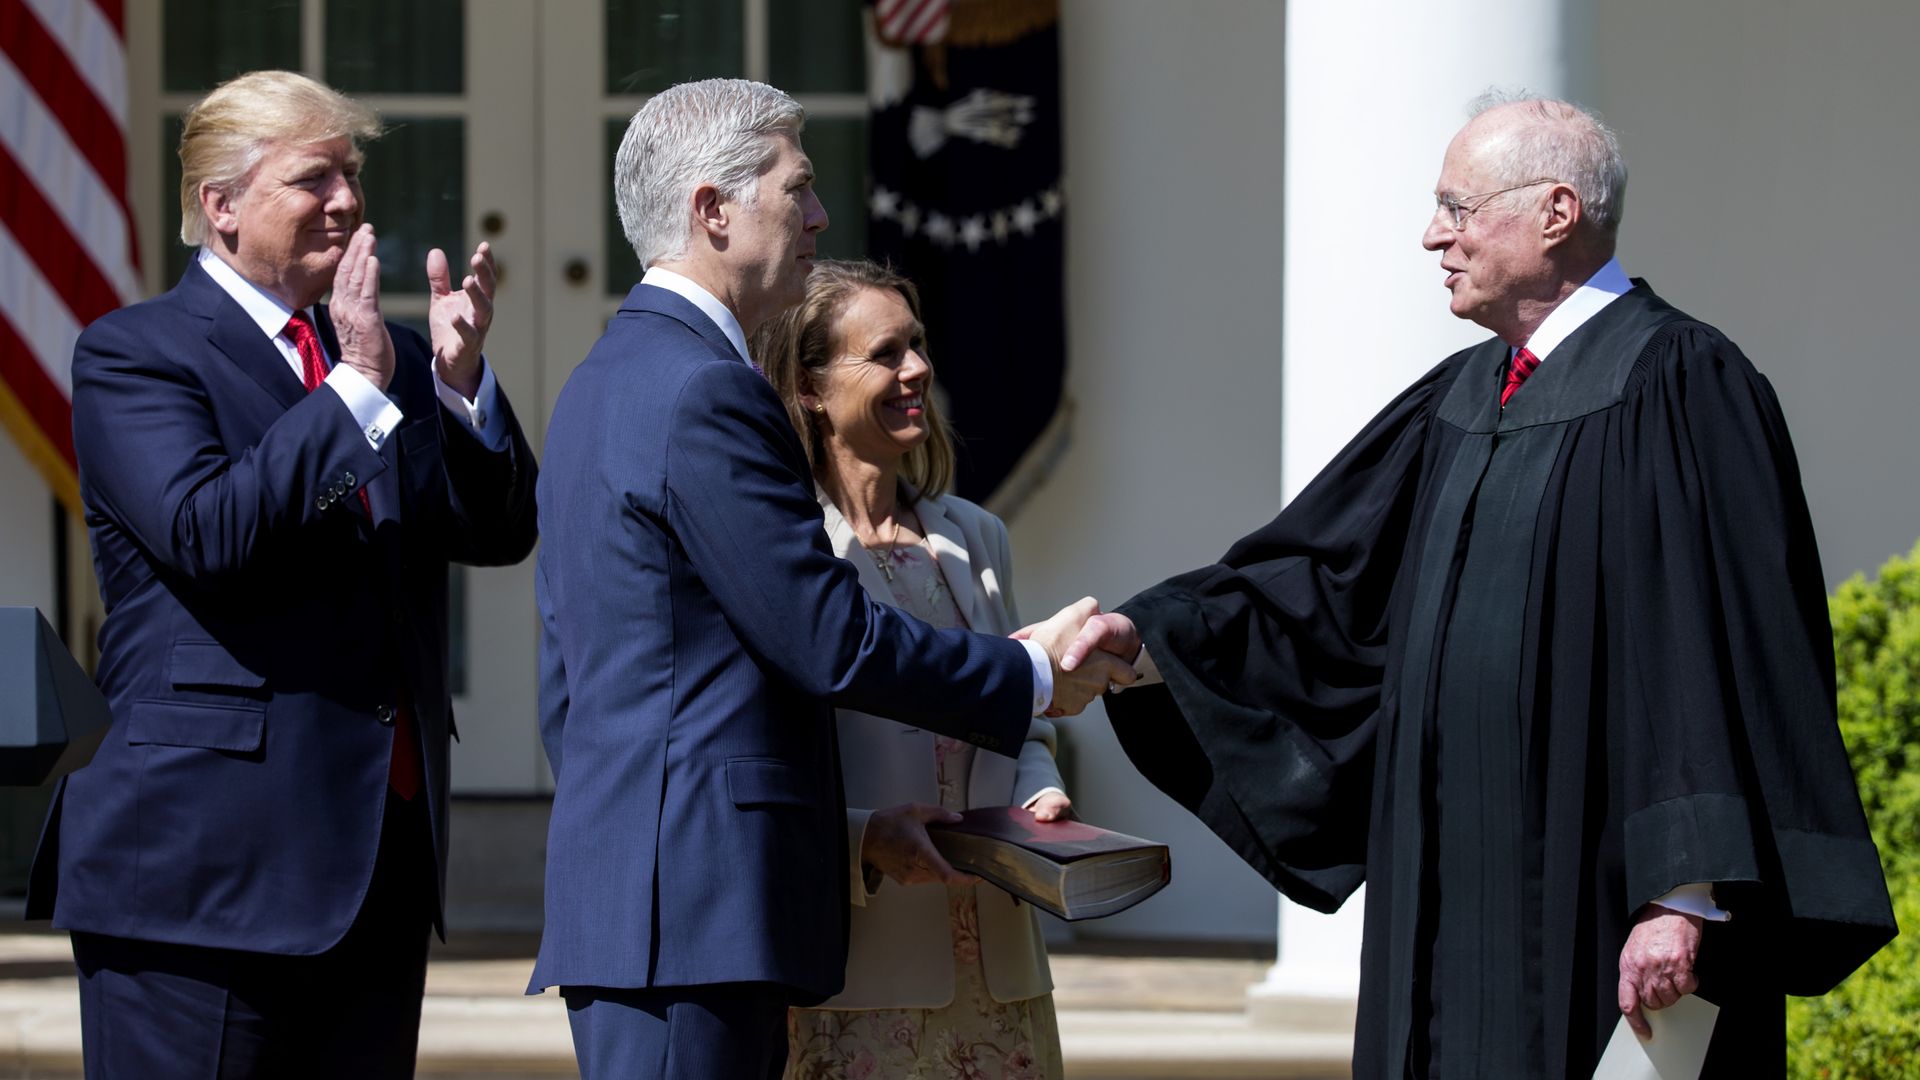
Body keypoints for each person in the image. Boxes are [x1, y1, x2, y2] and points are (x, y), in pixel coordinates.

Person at [1067, 94, 1897, 1077]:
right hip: (1441, 893)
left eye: (1458, 208)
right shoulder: (1460, 396)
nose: (1433, 236)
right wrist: (1157, 638)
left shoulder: (1682, 384)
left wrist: (1684, 895)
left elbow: (1720, 648)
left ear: (1556, 211)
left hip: (1598, 900)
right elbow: (1328, 584)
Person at [531, 79, 1131, 1079]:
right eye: (796, 189)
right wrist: (1026, 674)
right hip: (697, 915)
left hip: (652, 904)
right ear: (712, 209)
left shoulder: (603, 379)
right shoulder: (704, 390)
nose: (817, 215)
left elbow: (568, 689)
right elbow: (827, 637)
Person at [26, 70, 538, 1078]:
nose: (348, 198)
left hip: (372, 872)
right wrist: (354, 389)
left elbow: (498, 530)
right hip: (198, 877)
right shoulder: (137, 353)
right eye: (315, 177)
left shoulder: (385, 356)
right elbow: (210, 533)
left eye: (351, 172)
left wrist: (463, 386)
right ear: (220, 207)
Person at [756, 260, 1069, 1080]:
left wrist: (1041, 790)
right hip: (863, 976)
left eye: (919, 345)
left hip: (1002, 976)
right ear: (812, 388)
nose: (918, 370)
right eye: (887, 353)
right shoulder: (789, 553)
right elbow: (772, 755)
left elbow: (1022, 717)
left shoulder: (978, 535)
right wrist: (862, 840)